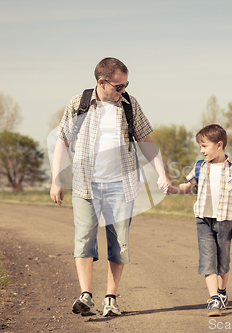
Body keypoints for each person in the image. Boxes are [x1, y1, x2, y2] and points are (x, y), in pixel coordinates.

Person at [50, 57, 169, 317]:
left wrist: (162, 174)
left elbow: (146, 141)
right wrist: (55, 180)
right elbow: (62, 142)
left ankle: (111, 299)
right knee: (83, 240)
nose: (123, 90)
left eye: (126, 85)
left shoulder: (129, 104)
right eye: (119, 86)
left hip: (121, 186)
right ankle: (85, 295)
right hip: (85, 186)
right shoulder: (79, 104)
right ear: (102, 83)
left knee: (119, 244)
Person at [168, 124, 232, 317]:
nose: (201, 150)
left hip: (226, 221)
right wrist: (173, 188)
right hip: (203, 220)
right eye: (200, 146)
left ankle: (222, 292)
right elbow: (189, 186)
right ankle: (214, 298)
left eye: (204, 146)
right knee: (207, 259)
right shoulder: (200, 167)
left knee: (223, 261)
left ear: (219, 145)